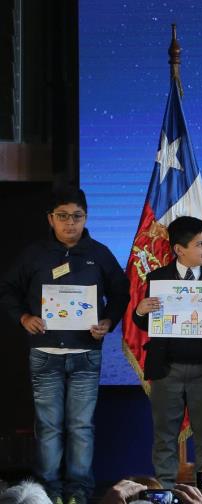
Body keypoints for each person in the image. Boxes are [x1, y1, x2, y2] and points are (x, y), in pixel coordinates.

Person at [0, 187, 129, 504]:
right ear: (50, 218)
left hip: (86, 354)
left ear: (86, 218)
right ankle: (49, 491)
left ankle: (79, 492)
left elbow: (121, 291)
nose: (70, 223)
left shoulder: (99, 253)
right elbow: (7, 289)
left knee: (81, 427)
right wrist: (23, 317)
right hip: (45, 354)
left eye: (77, 216)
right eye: (63, 216)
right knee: (49, 427)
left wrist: (109, 321)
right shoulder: (34, 254)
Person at [131, 216, 202, 487]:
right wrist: (140, 311)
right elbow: (145, 323)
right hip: (167, 369)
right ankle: (166, 491)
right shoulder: (157, 278)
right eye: (200, 244)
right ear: (179, 249)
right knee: (164, 437)